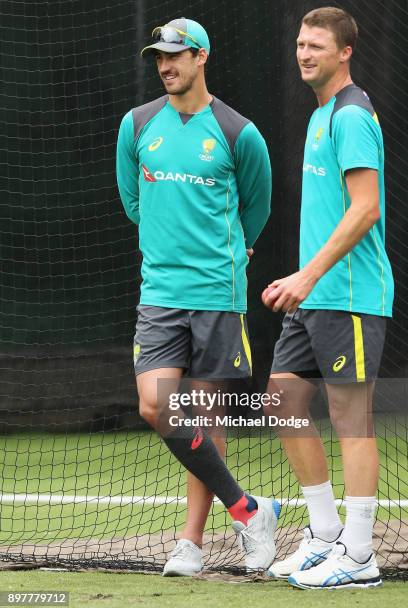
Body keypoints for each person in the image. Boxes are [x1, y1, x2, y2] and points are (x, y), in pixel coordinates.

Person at [116, 17, 279, 576]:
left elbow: (254, 209)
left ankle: (190, 543)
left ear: (202, 57)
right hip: (160, 292)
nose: (165, 65)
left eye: (176, 55)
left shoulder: (239, 132)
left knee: (203, 417)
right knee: (157, 406)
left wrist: (233, 249)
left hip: (217, 294)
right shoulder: (137, 126)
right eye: (159, 57)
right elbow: (133, 203)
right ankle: (248, 509)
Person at [263, 7, 393, 589]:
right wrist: (301, 281)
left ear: (344, 52)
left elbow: (367, 208)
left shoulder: (352, 115)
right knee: (283, 398)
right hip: (313, 294)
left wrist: (306, 277)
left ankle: (360, 554)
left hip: (348, 294)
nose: (304, 53)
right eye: (299, 43)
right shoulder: (321, 117)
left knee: (351, 418)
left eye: (317, 45)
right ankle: (322, 534)